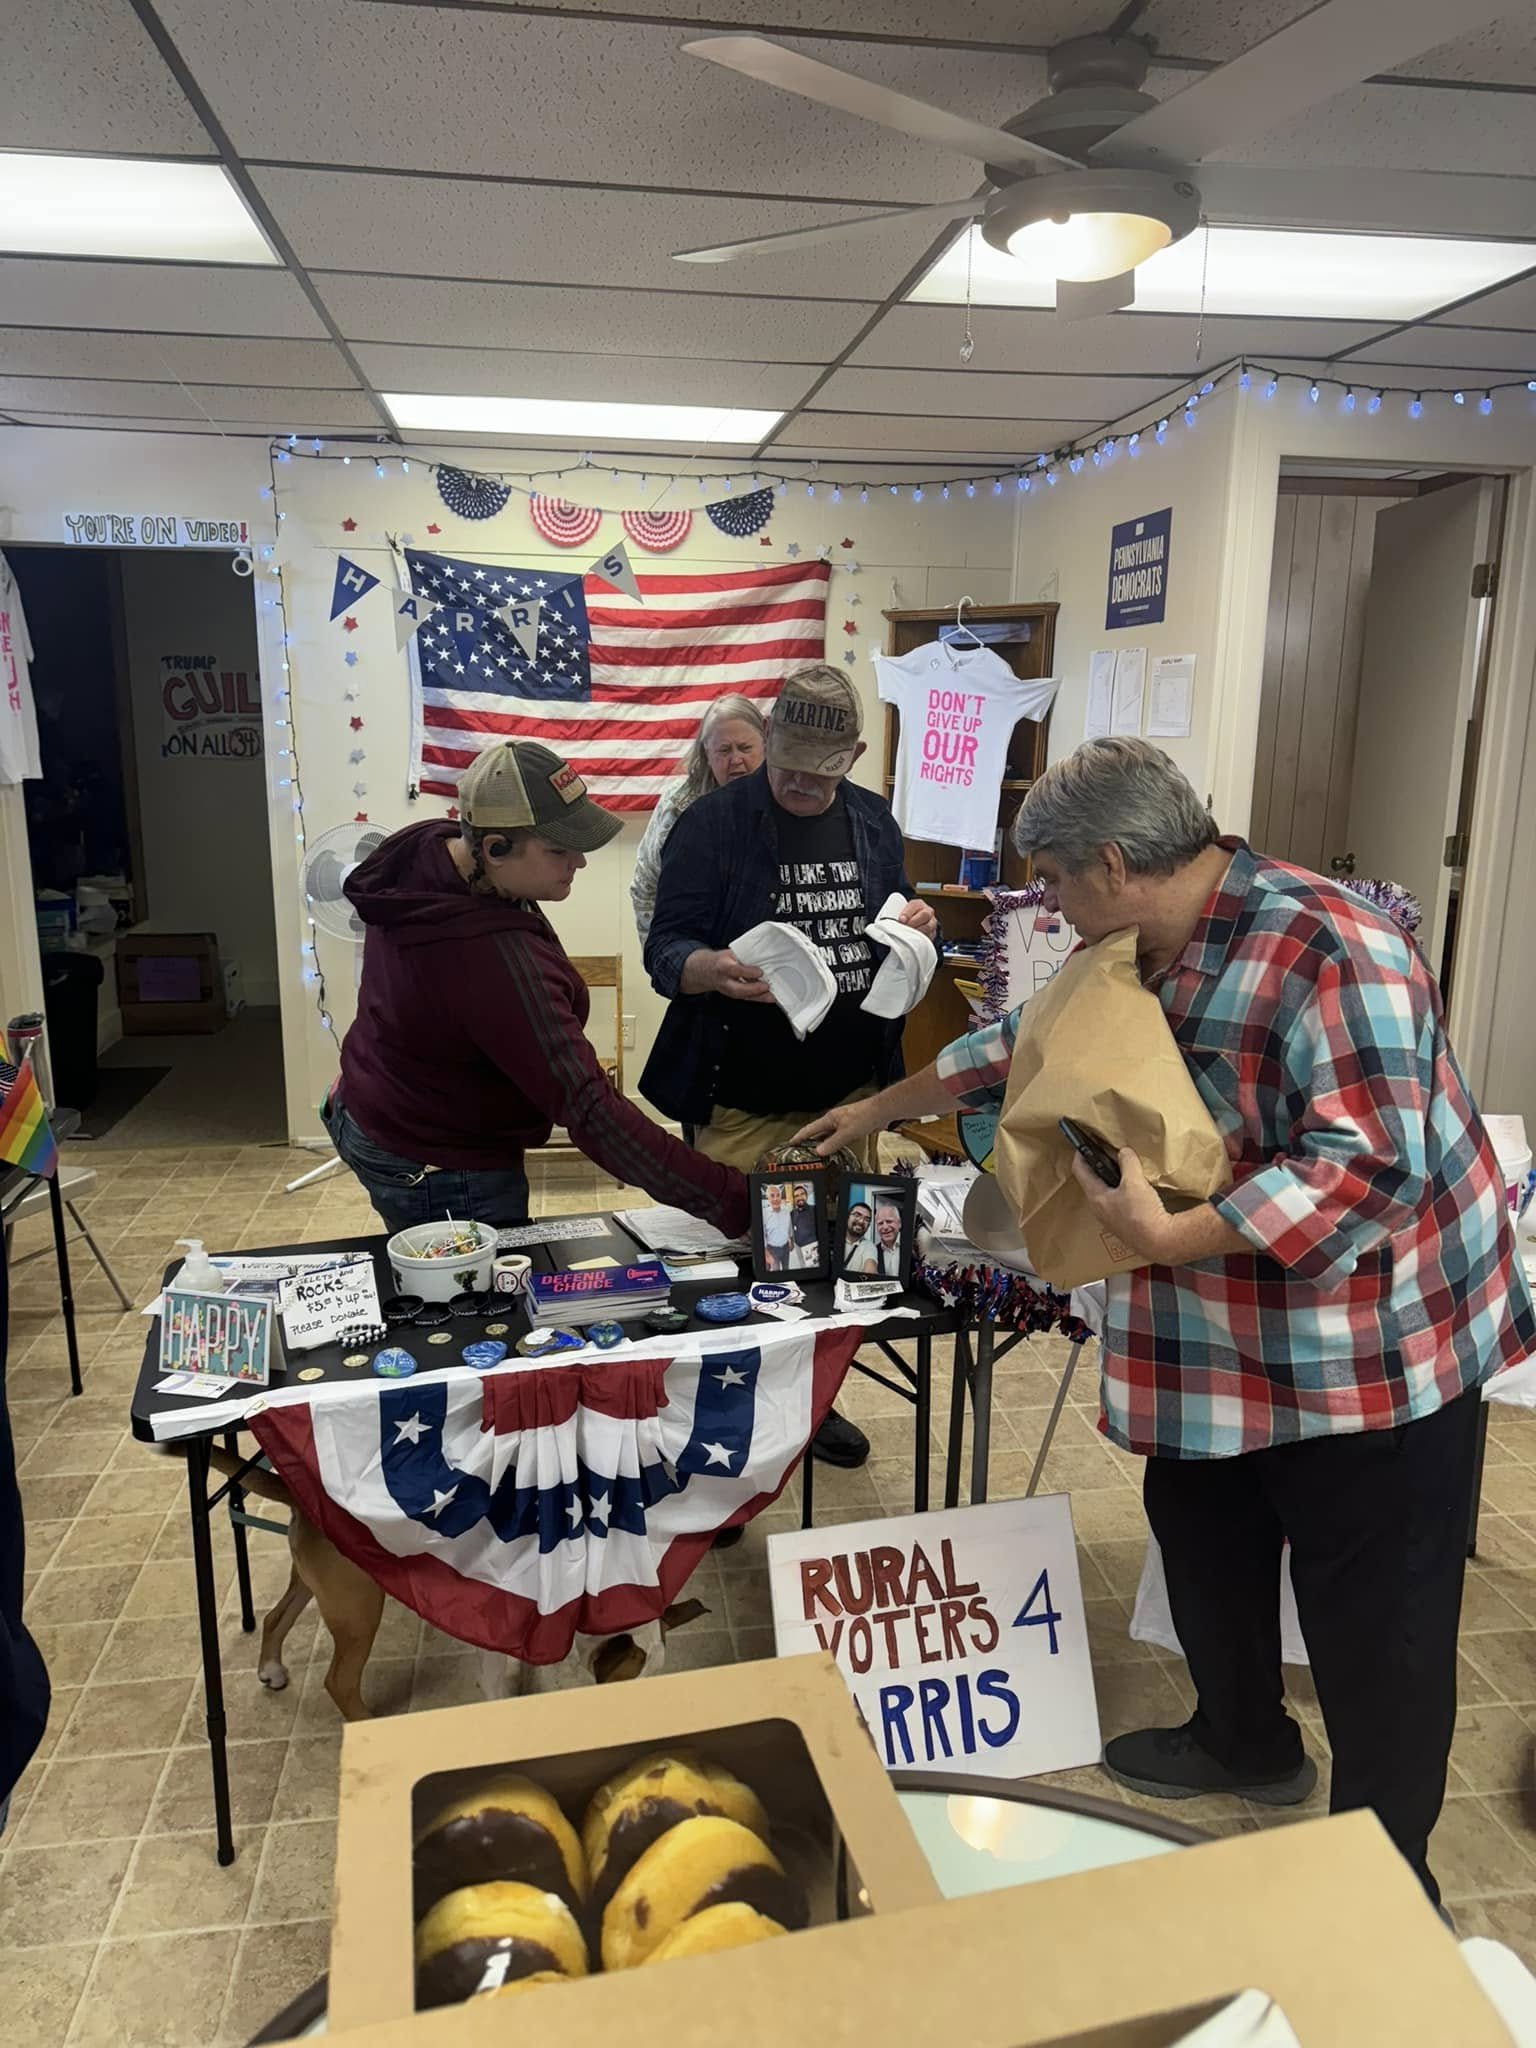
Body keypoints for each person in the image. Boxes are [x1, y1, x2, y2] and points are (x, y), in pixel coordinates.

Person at [796, 735, 1535, 1909]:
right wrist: (878, 1104)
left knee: (1378, 1625)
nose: (1046, 906)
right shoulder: (1126, 942)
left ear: (1110, 860)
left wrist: (1171, 1235)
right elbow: (1022, 1043)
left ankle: (1391, 1882)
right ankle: (1244, 1735)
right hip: (1224, 1337)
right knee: (1205, 1539)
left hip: (1374, 1348)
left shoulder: (1335, 945)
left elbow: (1370, 1165)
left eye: (1050, 881)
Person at [642, 664, 938, 1468]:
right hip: (741, 1095)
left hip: (849, 1094)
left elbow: (891, 910)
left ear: (857, 752)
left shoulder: (875, 822)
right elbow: (663, 949)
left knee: (837, 1268)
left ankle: (811, 1410)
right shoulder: (712, 824)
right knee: (731, 1279)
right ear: (766, 740)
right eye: (788, 765)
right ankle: (725, 1439)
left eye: (822, 771)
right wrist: (714, 970)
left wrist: (914, 921)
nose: (802, 785)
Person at [328, 738, 748, 1243]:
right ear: (494, 848)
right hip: (440, 1161)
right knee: (482, 1309)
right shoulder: (490, 960)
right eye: (558, 848)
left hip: (369, 1101)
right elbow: (591, 1111)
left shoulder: (426, 851)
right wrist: (731, 1198)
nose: (580, 862)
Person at [630, 695, 766, 941]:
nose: (736, 760)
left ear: (765, 744)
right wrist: (664, 961)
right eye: (724, 750)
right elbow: (645, 887)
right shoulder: (678, 805)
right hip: (698, 952)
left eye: (745, 748)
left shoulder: (788, 796)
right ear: (706, 751)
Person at [859, 1202, 904, 1279]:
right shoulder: (873, 1251)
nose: (885, 1227)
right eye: (880, 1223)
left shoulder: (911, 1246)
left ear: (899, 1223)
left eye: (889, 1221)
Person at [761, 1182, 792, 1271]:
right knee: (776, 1272)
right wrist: (766, 1254)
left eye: (778, 1195)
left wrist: (791, 1240)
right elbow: (762, 1236)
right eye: (772, 1195)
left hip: (785, 1247)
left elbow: (789, 1228)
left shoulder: (786, 1211)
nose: (776, 1198)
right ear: (768, 1198)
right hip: (772, 1250)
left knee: (786, 1269)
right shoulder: (764, 1214)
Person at [788, 1183, 820, 1270]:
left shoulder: (815, 1210)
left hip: (813, 1248)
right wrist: (790, 1240)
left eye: (802, 1194)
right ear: (794, 1199)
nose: (799, 1197)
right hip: (799, 1248)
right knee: (803, 1268)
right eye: (796, 1196)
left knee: (814, 1270)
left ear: (806, 1196)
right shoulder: (792, 1213)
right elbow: (790, 1228)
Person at [839, 1199, 873, 1273]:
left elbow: (871, 1270)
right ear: (847, 1217)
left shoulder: (869, 1246)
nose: (861, 1221)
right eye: (857, 1215)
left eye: (866, 1219)